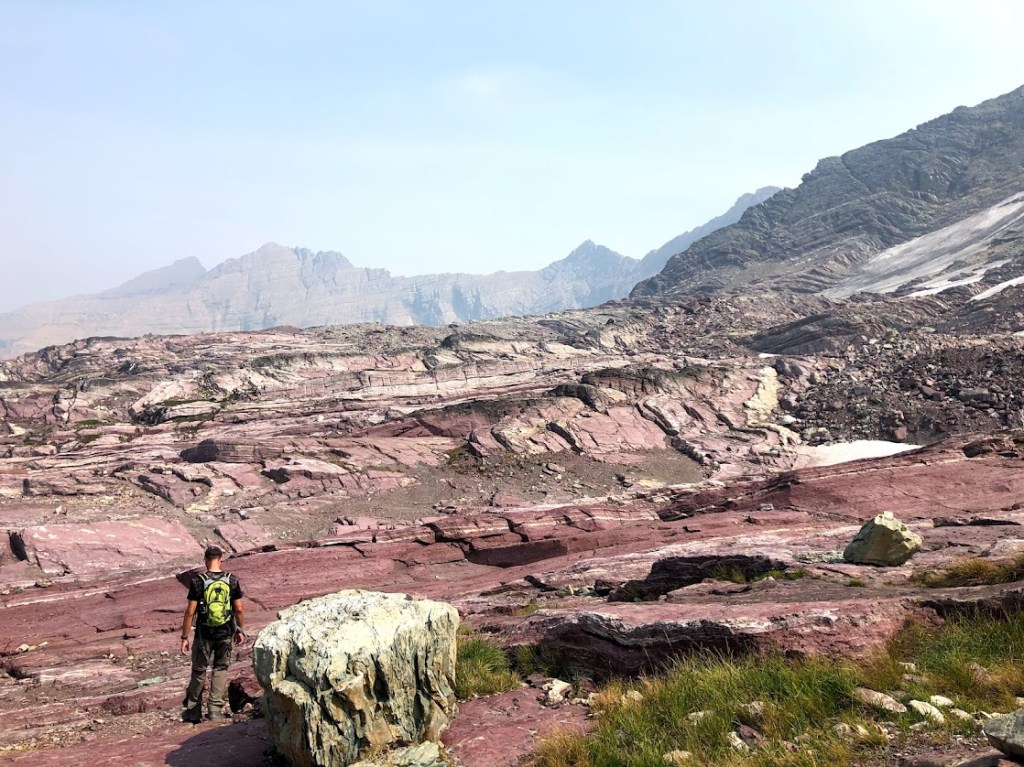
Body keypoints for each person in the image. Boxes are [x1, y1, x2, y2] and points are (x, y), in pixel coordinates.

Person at [180, 545, 246, 722]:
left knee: (199, 671)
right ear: (221, 560)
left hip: (203, 634)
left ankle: (193, 711)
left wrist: (185, 637)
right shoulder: (232, 580)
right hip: (225, 633)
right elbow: (238, 609)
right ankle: (215, 710)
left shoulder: (197, 581)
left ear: (205, 560)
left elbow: (190, 612)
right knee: (220, 669)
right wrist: (239, 629)